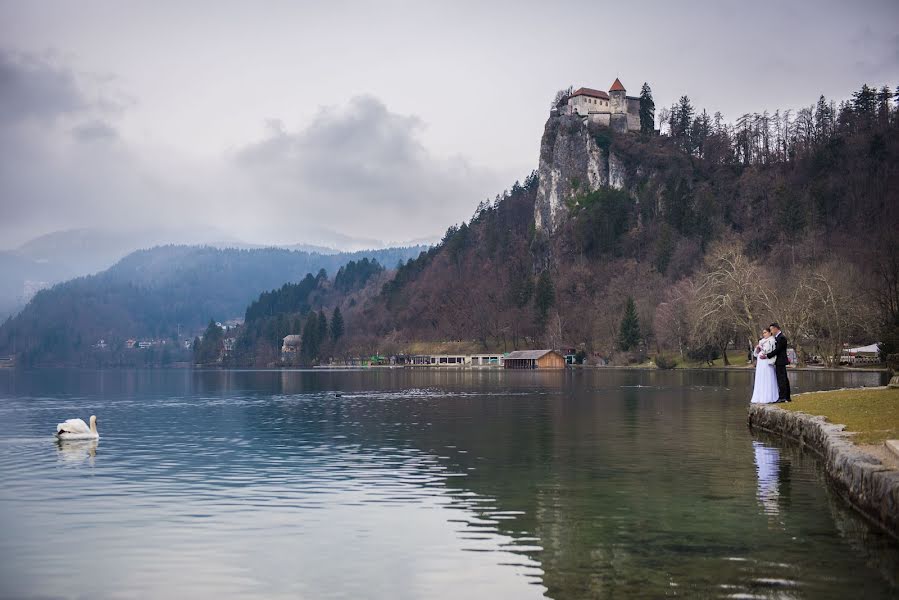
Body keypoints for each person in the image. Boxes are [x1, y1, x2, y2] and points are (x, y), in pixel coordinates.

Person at [760, 322, 791, 402]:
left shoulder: (781, 338)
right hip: (779, 361)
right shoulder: (777, 338)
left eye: (771, 330)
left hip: (780, 361)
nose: (771, 331)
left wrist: (767, 355)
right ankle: (786, 396)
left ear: (775, 329)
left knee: (781, 379)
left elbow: (777, 350)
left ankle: (782, 397)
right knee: (783, 379)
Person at [750, 328, 778, 404]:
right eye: (763, 333)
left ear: (769, 333)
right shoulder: (761, 341)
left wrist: (762, 348)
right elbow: (756, 354)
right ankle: (759, 396)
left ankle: (768, 396)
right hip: (760, 362)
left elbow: (770, 351)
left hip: (766, 361)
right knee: (760, 377)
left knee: (767, 377)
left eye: (765, 332)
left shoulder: (772, 340)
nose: (764, 334)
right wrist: (757, 349)